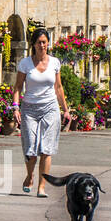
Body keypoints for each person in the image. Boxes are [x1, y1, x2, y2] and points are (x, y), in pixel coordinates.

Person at [13, 28, 74, 197]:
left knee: (46, 149)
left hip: (50, 108)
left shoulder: (55, 62)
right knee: (31, 149)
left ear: (48, 43)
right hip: (29, 109)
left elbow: (59, 88)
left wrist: (65, 110)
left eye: (44, 42)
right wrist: (15, 107)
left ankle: (41, 187)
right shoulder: (25, 64)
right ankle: (30, 176)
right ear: (33, 44)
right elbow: (18, 87)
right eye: (39, 42)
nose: (42, 45)